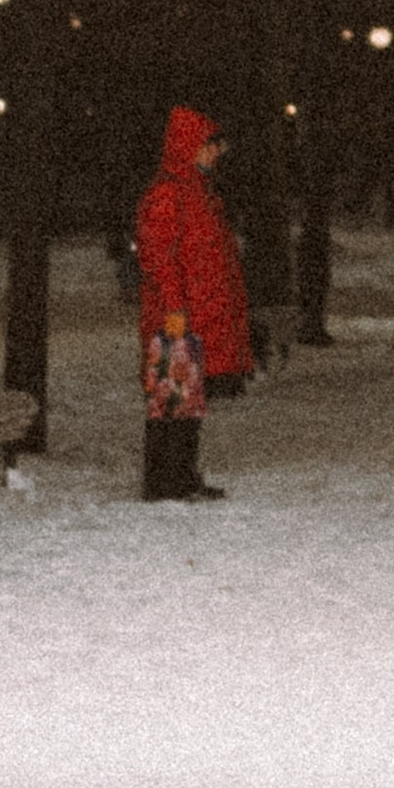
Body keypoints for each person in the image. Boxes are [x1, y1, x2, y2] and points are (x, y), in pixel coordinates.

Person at [133, 106, 252, 499]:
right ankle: (166, 480)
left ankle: (180, 477)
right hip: (179, 313)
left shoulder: (199, 192)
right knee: (172, 398)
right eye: (209, 144)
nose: (216, 152)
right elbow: (159, 257)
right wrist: (174, 309)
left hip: (196, 311)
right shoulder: (171, 193)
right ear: (189, 147)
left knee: (185, 397)